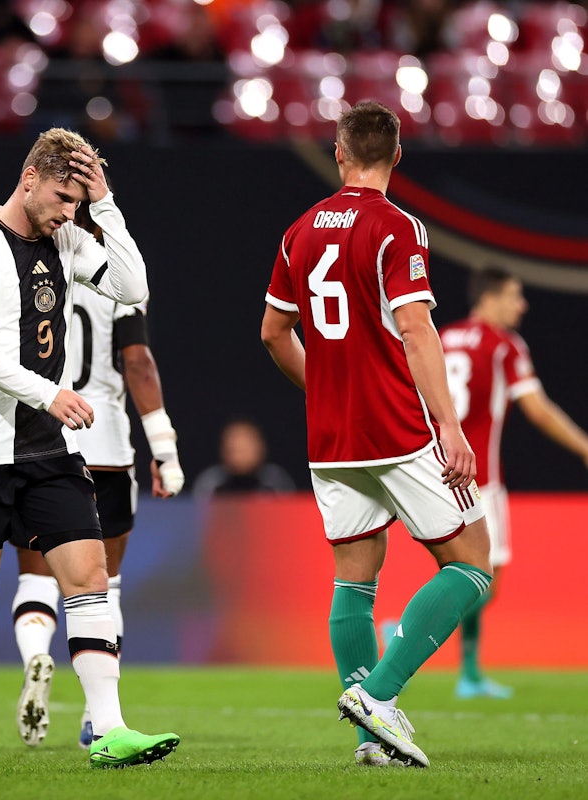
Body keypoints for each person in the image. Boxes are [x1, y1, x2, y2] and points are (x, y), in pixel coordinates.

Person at [0, 127, 179, 770]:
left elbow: (132, 286)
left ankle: (110, 726)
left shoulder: (69, 237)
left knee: (90, 576)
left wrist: (107, 204)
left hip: (50, 451)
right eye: (64, 197)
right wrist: (49, 393)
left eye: (78, 201)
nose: (69, 213)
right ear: (29, 176)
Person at [260, 100, 492, 769]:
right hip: (393, 428)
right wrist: (448, 425)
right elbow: (415, 328)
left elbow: (274, 334)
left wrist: (327, 390)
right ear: (396, 156)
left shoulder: (298, 231)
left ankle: (370, 745)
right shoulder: (396, 226)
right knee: (472, 562)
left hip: (330, 440)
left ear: (337, 153)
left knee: (353, 583)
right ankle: (380, 698)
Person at [8, 197, 185, 750]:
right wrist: (164, 446)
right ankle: (96, 716)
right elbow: (138, 362)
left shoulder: (28, 263)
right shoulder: (116, 270)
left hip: (40, 440)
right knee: (103, 587)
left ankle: (37, 656)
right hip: (105, 443)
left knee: (37, 577)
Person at [440, 266, 588, 699]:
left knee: (461, 572)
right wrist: (583, 445)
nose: (521, 305)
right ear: (490, 298)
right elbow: (537, 409)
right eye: (514, 295)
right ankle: (406, 630)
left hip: (435, 473)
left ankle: (469, 674)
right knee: (487, 578)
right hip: (480, 477)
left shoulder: (442, 336)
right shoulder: (504, 345)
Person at [191, 417, 297, 497]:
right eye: (233, 449)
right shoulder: (211, 483)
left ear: (260, 448)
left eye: (244, 448)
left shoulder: (276, 482)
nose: (238, 455)